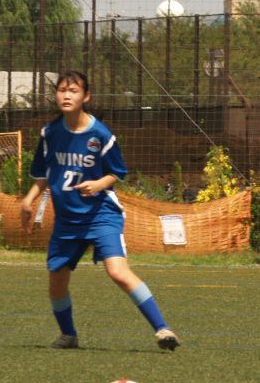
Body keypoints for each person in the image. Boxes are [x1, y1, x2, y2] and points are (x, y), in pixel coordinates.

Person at [20, 70, 180, 351]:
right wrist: (29, 199)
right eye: (61, 90)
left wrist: (98, 184)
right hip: (67, 220)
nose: (66, 95)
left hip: (100, 214)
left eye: (73, 91)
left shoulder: (100, 134)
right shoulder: (50, 133)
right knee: (56, 281)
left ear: (86, 97)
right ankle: (68, 335)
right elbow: (43, 173)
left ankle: (163, 329)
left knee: (118, 272)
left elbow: (118, 172)